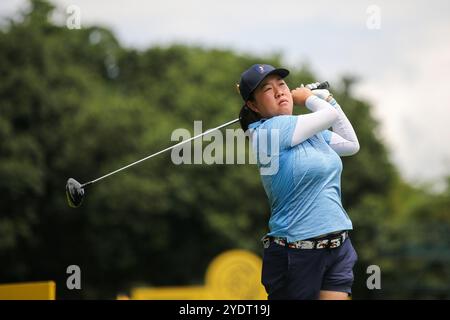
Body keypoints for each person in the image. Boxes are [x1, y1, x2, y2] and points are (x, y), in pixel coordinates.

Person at [237, 64, 360, 300]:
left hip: (338, 246)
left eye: (281, 84)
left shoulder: (308, 131)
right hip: (296, 254)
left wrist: (330, 99)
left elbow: (351, 144)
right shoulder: (268, 131)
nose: (279, 91)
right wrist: (311, 98)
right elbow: (328, 116)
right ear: (253, 105)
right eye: (267, 89)